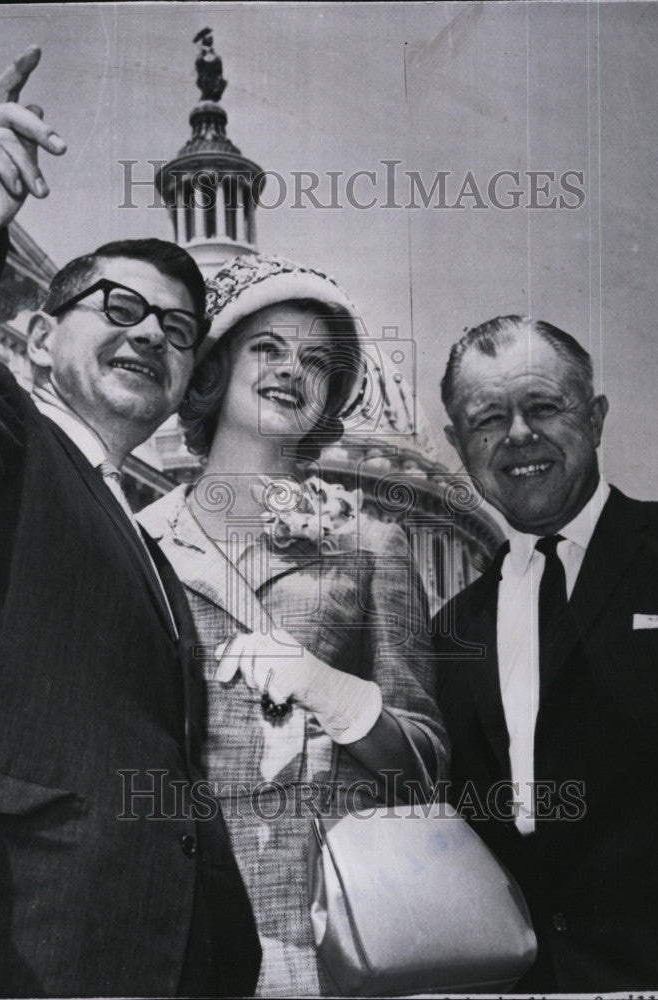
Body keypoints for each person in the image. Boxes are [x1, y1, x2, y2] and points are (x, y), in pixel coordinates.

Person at [0, 46, 260, 997]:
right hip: (2, 942)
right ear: (39, 336)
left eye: (176, 332)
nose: (147, 334)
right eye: (117, 307)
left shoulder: (134, 530)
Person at [138, 253, 449, 996]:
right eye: (268, 347)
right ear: (212, 369)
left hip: (324, 933)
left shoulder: (371, 544)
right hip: (173, 931)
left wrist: (336, 696)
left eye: (316, 360)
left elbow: (427, 764)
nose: (291, 371)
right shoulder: (135, 540)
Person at [431, 315, 658, 992]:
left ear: (595, 418)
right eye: (488, 419)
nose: (518, 435)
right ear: (458, 442)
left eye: (544, 406)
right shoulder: (448, 633)